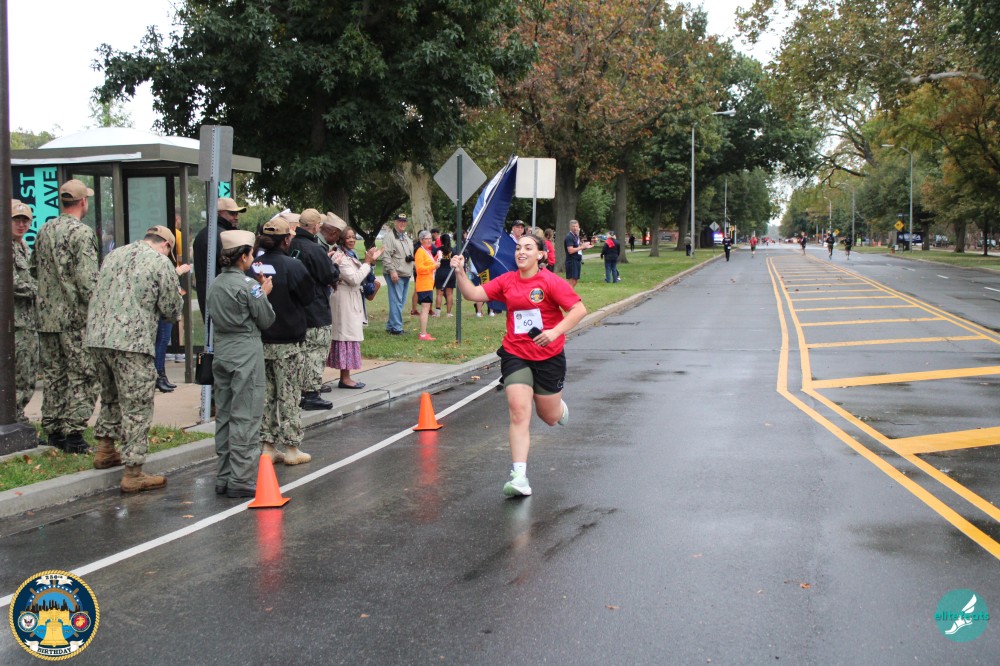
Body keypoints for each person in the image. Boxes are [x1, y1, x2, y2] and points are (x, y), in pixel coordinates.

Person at [450, 229, 587, 497]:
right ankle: (519, 477)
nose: (521, 252)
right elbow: (473, 294)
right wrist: (460, 273)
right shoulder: (507, 280)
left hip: (549, 356)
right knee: (518, 410)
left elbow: (579, 309)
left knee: (548, 417)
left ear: (540, 255)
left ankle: (558, 408)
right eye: (518, 248)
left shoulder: (550, 282)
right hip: (516, 353)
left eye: (528, 248)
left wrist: (554, 332)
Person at [86, 226, 188, 492]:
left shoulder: (114, 255)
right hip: (132, 342)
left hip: (98, 338)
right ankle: (133, 472)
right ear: (166, 245)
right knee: (137, 405)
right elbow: (170, 309)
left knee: (110, 395)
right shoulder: (161, 263)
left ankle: (105, 450)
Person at [30, 179, 100, 454]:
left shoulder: (44, 229)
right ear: (83, 201)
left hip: (47, 317)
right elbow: (87, 281)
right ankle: (74, 433)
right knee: (84, 374)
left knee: (54, 374)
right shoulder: (82, 233)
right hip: (75, 318)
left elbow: (34, 269)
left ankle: (54, 429)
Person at [207, 230, 276, 498]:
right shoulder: (250, 286)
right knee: (246, 413)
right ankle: (241, 477)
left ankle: (223, 475)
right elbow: (266, 319)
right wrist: (263, 293)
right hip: (245, 350)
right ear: (244, 256)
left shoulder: (215, 283)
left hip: (222, 350)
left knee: (224, 414)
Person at [257, 215, 316, 465]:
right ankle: (292, 447)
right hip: (288, 341)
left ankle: (267, 446)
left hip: (261, 340)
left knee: (266, 395)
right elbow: (308, 297)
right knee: (289, 394)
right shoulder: (293, 266)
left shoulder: (253, 266)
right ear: (285, 241)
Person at [290, 208, 341, 411]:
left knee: (302, 352)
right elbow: (329, 275)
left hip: (296, 307)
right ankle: (311, 393)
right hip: (315, 306)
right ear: (316, 226)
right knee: (316, 351)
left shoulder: (292, 245)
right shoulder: (314, 249)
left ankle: (300, 390)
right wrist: (334, 264)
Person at [329, 228, 383, 388]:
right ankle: (345, 378)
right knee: (346, 338)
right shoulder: (339, 256)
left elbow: (364, 276)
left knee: (350, 337)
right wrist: (367, 262)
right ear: (341, 239)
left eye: (353, 237)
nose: (352, 240)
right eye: (348, 237)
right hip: (344, 300)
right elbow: (354, 279)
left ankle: (345, 377)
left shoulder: (351, 255)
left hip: (351, 299)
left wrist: (371, 262)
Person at [193, 197, 246, 322]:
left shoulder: (203, 235)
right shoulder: (223, 236)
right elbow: (233, 269)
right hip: (223, 296)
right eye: (232, 213)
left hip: (208, 294)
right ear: (219, 213)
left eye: (237, 213)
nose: (236, 217)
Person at [11, 200, 37, 424]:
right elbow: (12, 283)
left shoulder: (24, 248)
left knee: (28, 373)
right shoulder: (5, 249)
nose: (21, 225)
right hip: (13, 324)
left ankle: (18, 415)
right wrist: (41, 289)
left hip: (28, 322)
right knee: (18, 373)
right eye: (16, 220)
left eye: (25, 221)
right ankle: (13, 417)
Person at [381, 213, 413, 335]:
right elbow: (386, 256)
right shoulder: (390, 237)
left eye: (404, 221)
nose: (402, 223)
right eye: (400, 221)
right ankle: (397, 329)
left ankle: (391, 326)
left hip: (406, 273)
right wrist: (392, 271)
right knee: (396, 302)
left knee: (400, 302)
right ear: (395, 222)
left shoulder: (406, 237)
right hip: (396, 274)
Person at [414, 230, 440, 341]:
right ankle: (423, 334)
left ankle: (424, 332)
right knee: (425, 309)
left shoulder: (427, 251)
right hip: (424, 284)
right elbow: (420, 269)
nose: (429, 241)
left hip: (428, 284)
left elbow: (429, 263)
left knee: (426, 308)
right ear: (421, 240)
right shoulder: (420, 252)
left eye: (430, 238)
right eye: (426, 239)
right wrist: (434, 266)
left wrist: (436, 258)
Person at [563, 219, 592, 288]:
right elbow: (570, 250)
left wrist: (585, 247)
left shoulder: (576, 236)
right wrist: (582, 247)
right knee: (572, 281)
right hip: (572, 261)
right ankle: (566, 293)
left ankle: (568, 293)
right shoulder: (569, 237)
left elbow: (578, 247)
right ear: (570, 227)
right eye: (573, 226)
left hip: (577, 260)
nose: (575, 228)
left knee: (575, 280)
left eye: (576, 226)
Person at [433, 232, 455, 316]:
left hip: (440, 272)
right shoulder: (453, 250)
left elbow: (433, 259)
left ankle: (437, 313)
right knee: (449, 294)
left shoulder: (438, 250)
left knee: (439, 293)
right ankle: (448, 313)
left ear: (441, 241)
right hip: (450, 273)